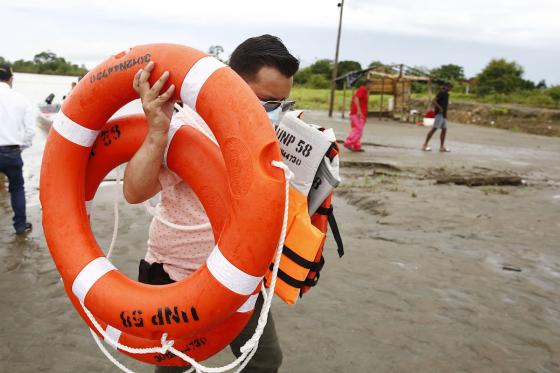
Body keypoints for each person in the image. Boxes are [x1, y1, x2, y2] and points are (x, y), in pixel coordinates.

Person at [123, 35, 299, 373]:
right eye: (267, 103)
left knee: (264, 360)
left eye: (282, 105)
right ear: (231, 84)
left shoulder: (266, 139)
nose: (274, 115)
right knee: (175, 365)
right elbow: (134, 191)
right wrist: (157, 132)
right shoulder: (186, 127)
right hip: (178, 275)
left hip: (239, 272)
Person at [0, 63, 34, 235]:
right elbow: (30, 131)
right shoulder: (21, 99)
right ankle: (20, 226)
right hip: (12, 151)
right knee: (17, 189)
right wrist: (20, 148)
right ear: (11, 79)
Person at [344, 80, 373, 152]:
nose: (372, 86)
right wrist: (359, 111)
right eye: (371, 85)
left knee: (358, 129)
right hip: (357, 113)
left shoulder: (365, 91)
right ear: (367, 84)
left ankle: (356, 146)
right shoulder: (362, 89)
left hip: (359, 113)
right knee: (358, 129)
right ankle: (348, 142)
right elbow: (356, 98)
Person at [422, 82, 452, 152]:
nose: (450, 89)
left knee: (444, 130)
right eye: (450, 87)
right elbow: (433, 101)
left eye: (451, 87)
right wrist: (440, 107)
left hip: (444, 115)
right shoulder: (441, 93)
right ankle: (425, 145)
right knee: (434, 129)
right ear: (446, 87)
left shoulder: (447, 94)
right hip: (439, 114)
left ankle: (441, 147)